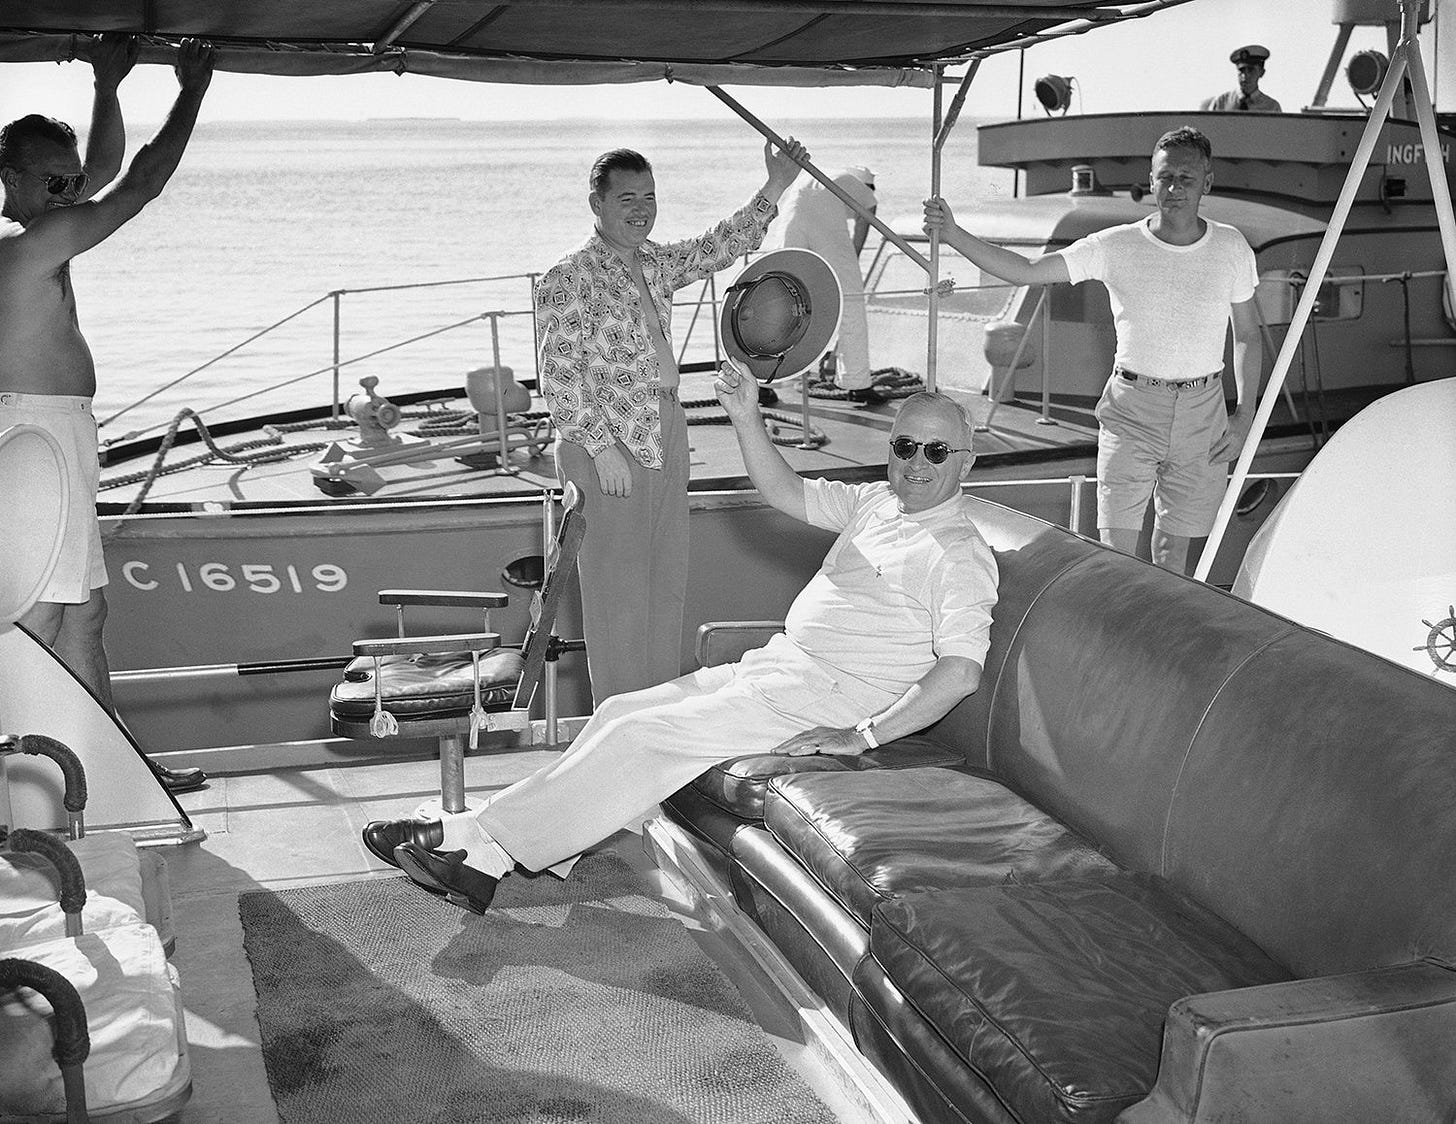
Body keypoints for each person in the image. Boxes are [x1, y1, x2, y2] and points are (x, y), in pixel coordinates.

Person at [363, 385, 999, 914]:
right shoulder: (877, 503)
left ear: (965, 462)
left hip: (824, 698)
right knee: (617, 714)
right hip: (779, 668)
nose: (918, 462)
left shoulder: (959, 553)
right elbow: (784, 491)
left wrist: (862, 735)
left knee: (641, 741)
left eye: (937, 450)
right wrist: (747, 416)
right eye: (906, 446)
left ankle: (477, 849)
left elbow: (962, 671)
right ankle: (541, 837)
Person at [0, 36, 215, 792]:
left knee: (86, 616)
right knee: (37, 623)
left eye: (72, 182)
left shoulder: (42, 223)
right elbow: (141, 182)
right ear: (14, 181)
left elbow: (105, 168)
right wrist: (193, 89)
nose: (72, 192)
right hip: (35, 439)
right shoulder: (30, 246)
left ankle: (118, 771)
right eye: (57, 182)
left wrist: (106, 83)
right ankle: (36, 787)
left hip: (57, 433)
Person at [533, 141, 807, 705]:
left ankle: (655, 715)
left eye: (650, 197)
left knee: (664, 585)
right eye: (627, 198)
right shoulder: (568, 275)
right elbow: (559, 376)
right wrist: (602, 448)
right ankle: (618, 723)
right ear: (597, 203)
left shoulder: (656, 261)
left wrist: (775, 185)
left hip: (664, 426)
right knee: (617, 594)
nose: (641, 209)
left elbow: (718, 247)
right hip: (607, 440)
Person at [923, 126, 1261, 575]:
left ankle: (1150, 639)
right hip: (1132, 409)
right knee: (1116, 555)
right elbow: (1026, 271)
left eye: (1186, 177)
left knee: (1171, 554)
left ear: (1208, 182)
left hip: (1204, 413)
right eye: (1165, 177)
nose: (1174, 188)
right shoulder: (1116, 245)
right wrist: (954, 234)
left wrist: (1245, 417)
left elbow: (1246, 336)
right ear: (1151, 179)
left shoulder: (1230, 246)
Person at [762, 166, 881, 404]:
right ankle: (857, 383)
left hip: (790, 221)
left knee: (782, 302)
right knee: (851, 303)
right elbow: (867, 216)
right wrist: (852, 258)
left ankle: (760, 381)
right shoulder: (857, 186)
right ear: (866, 184)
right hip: (824, 228)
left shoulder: (817, 179)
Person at [1200, 45, 1282, 113]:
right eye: (1241, 70)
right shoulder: (1221, 103)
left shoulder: (1271, 108)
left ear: (1262, 72)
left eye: (1251, 70)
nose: (1245, 75)